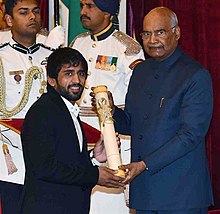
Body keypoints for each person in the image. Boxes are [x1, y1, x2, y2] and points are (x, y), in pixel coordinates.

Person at [97, 6, 213, 214]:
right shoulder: (140, 72)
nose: (152, 40)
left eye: (160, 32)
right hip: (145, 193)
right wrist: (110, 108)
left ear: (176, 32)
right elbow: (132, 125)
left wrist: (143, 164)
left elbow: (190, 135)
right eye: (146, 34)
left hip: (181, 194)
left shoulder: (195, 75)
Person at [20, 47, 124, 214]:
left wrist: (94, 158)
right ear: (51, 80)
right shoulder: (42, 112)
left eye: (81, 73)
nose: (77, 80)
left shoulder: (67, 110)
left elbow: (67, 162)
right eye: (69, 73)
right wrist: (95, 175)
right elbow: (44, 167)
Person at [70, 0, 145, 213]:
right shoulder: (77, 43)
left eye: (90, 6)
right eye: (82, 6)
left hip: (112, 140)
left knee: (109, 206)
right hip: (81, 137)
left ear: (108, 12)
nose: (83, 12)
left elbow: (137, 100)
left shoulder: (127, 48)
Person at [0, 0, 57, 213]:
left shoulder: (52, 57)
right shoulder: (2, 57)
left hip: (50, 158)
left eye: (35, 11)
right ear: (8, 19)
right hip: (12, 158)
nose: (32, 17)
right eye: (23, 12)